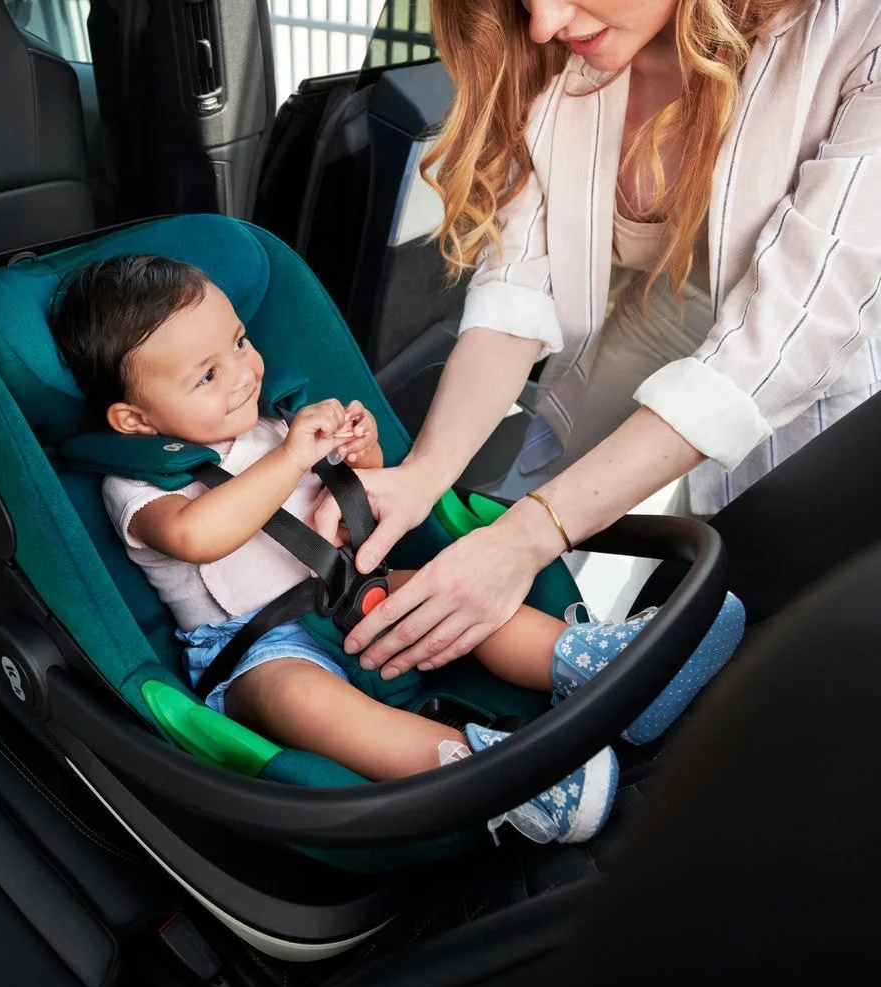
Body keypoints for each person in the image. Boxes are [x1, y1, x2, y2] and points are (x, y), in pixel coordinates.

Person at [50, 254, 744, 845]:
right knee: (302, 702)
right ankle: (488, 777)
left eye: (239, 341)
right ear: (133, 418)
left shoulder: (273, 421)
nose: (241, 373)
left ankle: (601, 666)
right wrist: (291, 458)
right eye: (206, 375)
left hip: (353, 593)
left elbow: (359, 499)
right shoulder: (135, 484)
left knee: (450, 592)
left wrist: (359, 455)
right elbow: (198, 536)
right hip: (256, 649)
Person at [310, 0, 880, 681]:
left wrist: (528, 537)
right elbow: (520, 283)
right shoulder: (546, 47)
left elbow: (787, 336)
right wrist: (425, 473)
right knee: (526, 528)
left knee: (770, 629)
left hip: (818, 389)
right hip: (648, 321)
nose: (544, 23)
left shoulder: (860, 31)